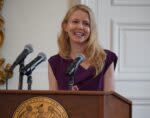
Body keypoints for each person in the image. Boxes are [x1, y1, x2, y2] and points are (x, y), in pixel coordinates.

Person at [48, 4, 117, 91]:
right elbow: (54, 103)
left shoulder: (106, 57)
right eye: (75, 22)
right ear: (65, 26)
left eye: (86, 23)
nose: (80, 27)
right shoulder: (54, 63)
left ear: (91, 29)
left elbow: (109, 101)